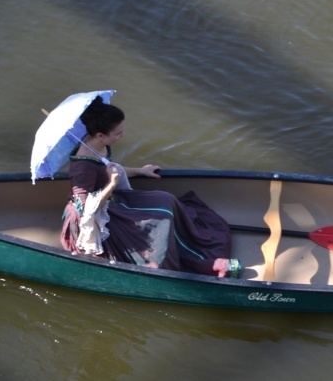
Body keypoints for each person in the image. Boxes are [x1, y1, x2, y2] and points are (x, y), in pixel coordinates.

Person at [60, 97, 242, 278]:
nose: (121, 135)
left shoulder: (96, 144)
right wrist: (112, 184)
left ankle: (190, 246)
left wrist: (140, 171)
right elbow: (84, 209)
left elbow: (111, 168)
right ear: (101, 135)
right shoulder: (82, 166)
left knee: (166, 200)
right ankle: (174, 263)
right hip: (97, 218)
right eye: (117, 133)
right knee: (158, 221)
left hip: (112, 199)